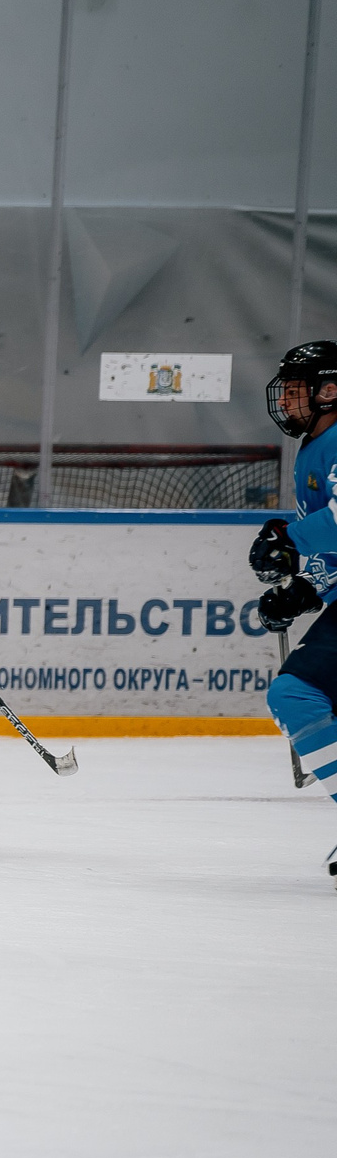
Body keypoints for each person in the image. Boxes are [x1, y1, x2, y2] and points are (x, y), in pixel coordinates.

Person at [249, 340, 337, 889]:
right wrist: (305, 588)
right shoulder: (316, 447)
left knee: (296, 694)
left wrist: (289, 539)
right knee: (299, 695)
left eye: (295, 389)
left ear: (329, 390)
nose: (285, 400)